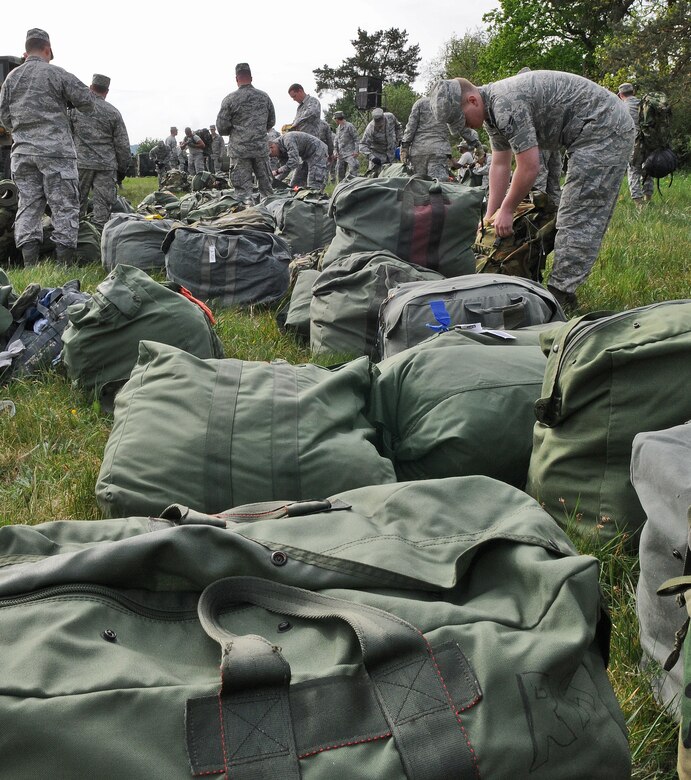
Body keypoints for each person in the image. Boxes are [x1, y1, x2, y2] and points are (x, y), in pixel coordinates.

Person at [429, 71, 635, 311]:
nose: (465, 127)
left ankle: (561, 296)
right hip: (586, 132)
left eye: (462, 120)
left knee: (578, 214)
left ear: (472, 100)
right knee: (559, 213)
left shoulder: (505, 104)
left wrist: (507, 209)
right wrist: (491, 215)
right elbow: (500, 163)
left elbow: (529, 166)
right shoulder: (491, 112)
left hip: (606, 129)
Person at [0, 28, 94, 266]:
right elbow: (88, 101)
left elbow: (4, 117)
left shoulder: (11, 78)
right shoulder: (57, 74)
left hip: (22, 153)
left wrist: (24, 131)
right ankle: (63, 265)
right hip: (56, 153)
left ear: (26, 50)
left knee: (29, 206)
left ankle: (30, 266)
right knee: (64, 206)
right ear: (48, 49)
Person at [70, 73, 131, 230]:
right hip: (106, 166)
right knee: (102, 208)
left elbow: (66, 136)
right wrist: (122, 170)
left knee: (76, 204)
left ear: (90, 87)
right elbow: (122, 145)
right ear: (107, 91)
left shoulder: (75, 110)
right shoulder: (113, 113)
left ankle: (77, 238)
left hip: (80, 164)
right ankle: (99, 241)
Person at [216, 62, 275, 203]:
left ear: (237, 79)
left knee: (243, 193)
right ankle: (272, 217)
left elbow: (221, 127)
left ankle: (246, 221)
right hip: (260, 149)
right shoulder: (264, 97)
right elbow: (271, 122)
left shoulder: (230, 99)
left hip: (239, 151)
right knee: (267, 190)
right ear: (251, 77)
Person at [400, 95, 455, 179]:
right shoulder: (447, 105)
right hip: (438, 149)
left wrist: (405, 147)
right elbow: (456, 127)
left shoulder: (419, 103)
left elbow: (411, 127)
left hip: (418, 150)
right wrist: (474, 142)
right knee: (437, 184)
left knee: (419, 183)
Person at [618, 81, 653, 207]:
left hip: (634, 143)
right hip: (649, 142)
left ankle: (639, 205)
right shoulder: (644, 104)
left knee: (633, 170)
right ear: (633, 92)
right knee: (647, 168)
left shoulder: (622, 107)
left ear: (621, 95)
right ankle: (648, 199)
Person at [287, 83, 321, 187]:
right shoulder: (300, 108)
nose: (293, 99)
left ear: (300, 91)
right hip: (302, 148)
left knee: (312, 182)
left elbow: (312, 112)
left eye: (294, 96)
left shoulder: (313, 102)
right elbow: (296, 121)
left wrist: (295, 124)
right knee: (296, 182)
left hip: (312, 147)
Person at [359, 107, 396, 173]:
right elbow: (362, 145)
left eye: (381, 124)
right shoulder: (370, 129)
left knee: (391, 179)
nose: (379, 126)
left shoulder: (391, 117)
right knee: (375, 181)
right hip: (377, 158)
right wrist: (372, 157)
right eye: (378, 125)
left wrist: (400, 141)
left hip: (391, 156)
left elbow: (398, 127)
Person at [333, 111, 359, 181]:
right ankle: (341, 188)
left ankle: (354, 186)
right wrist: (335, 152)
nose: (335, 121)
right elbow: (336, 141)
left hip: (350, 154)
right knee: (339, 173)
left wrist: (356, 151)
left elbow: (356, 139)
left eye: (335, 119)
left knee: (353, 171)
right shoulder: (338, 128)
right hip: (340, 155)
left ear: (337, 119)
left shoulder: (349, 126)